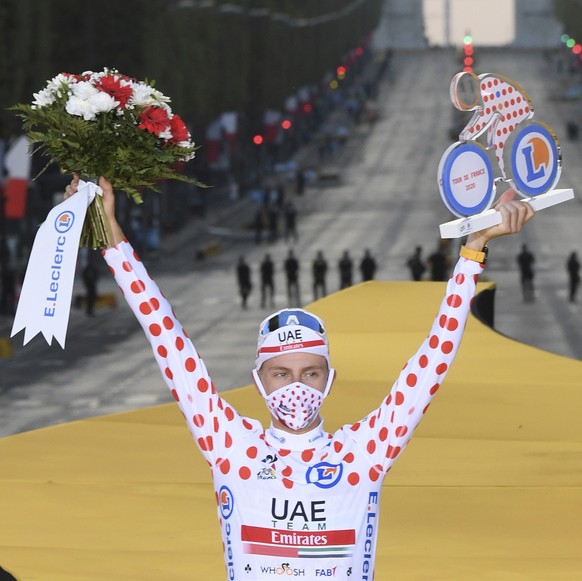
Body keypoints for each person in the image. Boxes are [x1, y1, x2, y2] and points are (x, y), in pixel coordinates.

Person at [66, 176, 534, 579]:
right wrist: (111, 237)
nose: (295, 387)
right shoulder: (229, 444)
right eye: (280, 374)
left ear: (330, 379)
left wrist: (473, 252)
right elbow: (165, 334)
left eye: (310, 373)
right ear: (258, 381)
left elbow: (431, 362)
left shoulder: (365, 451)